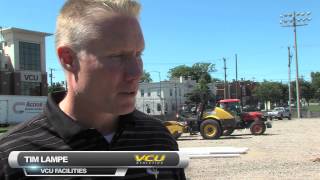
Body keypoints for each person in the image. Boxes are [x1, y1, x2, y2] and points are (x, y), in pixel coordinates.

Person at [0, 0, 186, 179]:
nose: (137, 72)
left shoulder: (158, 140)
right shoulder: (11, 156)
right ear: (68, 59)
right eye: (117, 56)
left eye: (138, 54)